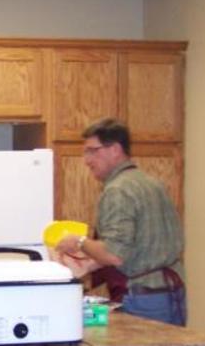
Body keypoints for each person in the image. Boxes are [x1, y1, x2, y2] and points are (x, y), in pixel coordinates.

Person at [53, 118, 186, 326]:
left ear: (115, 149)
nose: (86, 160)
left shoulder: (118, 190)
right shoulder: (151, 183)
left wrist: (78, 242)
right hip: (170, 293)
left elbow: (114, 254)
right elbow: (137, 246)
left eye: (92, 151)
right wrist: (90, 263)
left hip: (142, 298)